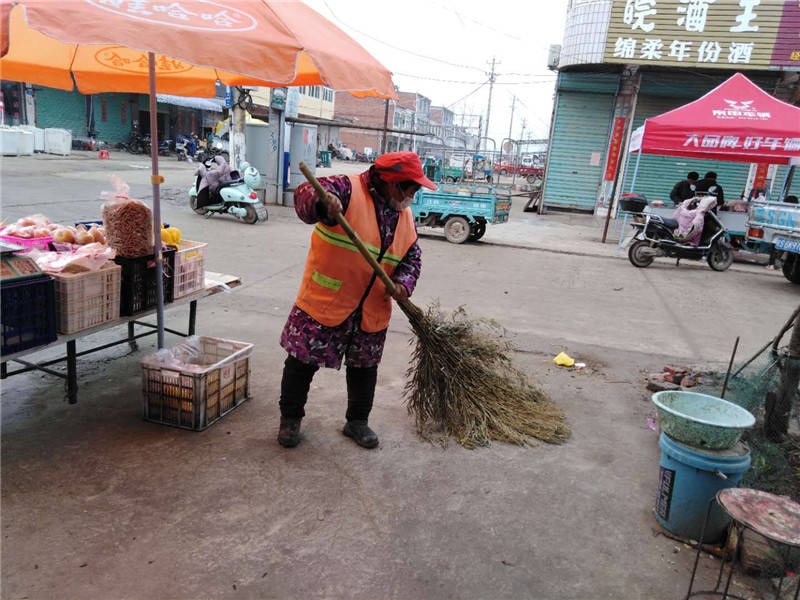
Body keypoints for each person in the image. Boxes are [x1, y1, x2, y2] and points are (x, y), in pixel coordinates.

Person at [277, 152, 437, 450]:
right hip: (325, 302)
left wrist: (404, 283)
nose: (414, 195)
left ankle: (357, 422)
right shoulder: (348, 188)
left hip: (371, 308)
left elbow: (412, 258)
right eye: (412, 188)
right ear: (393, 183)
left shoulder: (405, 216)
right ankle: (290, 420)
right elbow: (305, 195)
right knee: (301, 364)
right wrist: (321, 202)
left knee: (365, 369)